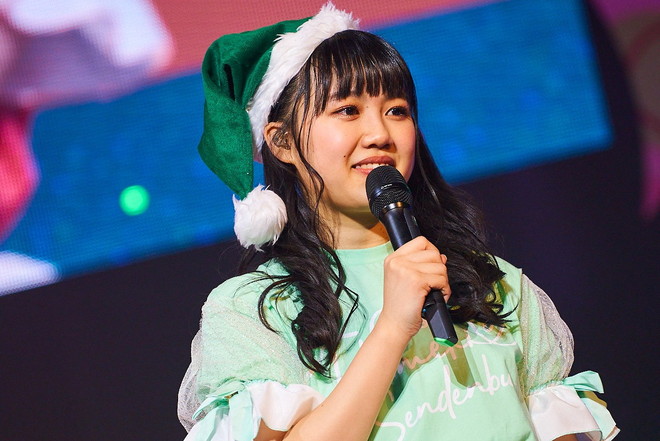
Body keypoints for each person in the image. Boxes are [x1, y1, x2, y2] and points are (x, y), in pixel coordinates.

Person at [178, 4, 618, 440]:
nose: (380, 135)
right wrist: (391, 328)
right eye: (347, 110)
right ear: (283, 142)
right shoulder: (258, 309)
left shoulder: (493, 282)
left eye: (397, 110)